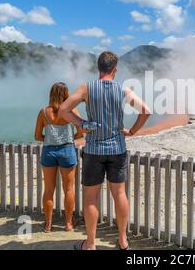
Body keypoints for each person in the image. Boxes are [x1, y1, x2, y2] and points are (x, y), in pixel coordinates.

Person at [59, 51, 151, 250]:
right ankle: (123, 240)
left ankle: (90, 244)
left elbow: (63, 110)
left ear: (98, 68)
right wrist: (132, 131)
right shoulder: (123, 89)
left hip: (93, 150)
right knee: (119, 194)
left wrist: (81, 124)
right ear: (115, 69)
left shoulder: (87, 88)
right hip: (117, 149)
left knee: (91, 198)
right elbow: (146, 110)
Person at [34, 82, 85, 233]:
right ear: (66, 94)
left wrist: (51, 140)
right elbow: (81, 133)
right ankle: (68, 224)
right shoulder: (72, 111)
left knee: (49, 190)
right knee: (68, 189)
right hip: (67, 150)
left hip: (49, 151)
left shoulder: (43, 112)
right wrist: (68, 138)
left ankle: (48, 224)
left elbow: (37, 136)